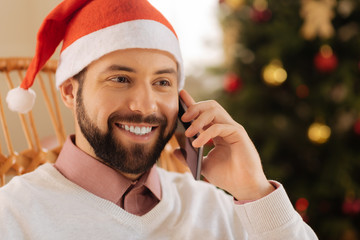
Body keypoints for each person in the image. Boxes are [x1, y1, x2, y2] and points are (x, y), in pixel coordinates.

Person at [0, 0, 318, 239]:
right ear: (70, 92)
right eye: (120, 79)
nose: (145, 105)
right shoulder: (13, 216)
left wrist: (256, 191)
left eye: (162, 82)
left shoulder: (218, 208)